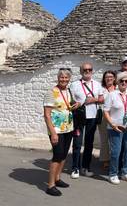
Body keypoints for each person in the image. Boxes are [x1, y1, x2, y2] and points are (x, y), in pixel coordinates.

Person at [43, 68, 80, 196]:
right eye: (61, 77)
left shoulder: (68, 91)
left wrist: (78, 104)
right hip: (56, 130)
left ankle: (57, 179)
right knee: (57, 156)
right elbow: (47, 115)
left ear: (69, 79)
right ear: (58, 78)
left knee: (64, 155)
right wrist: (53, 133)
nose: (64, 79)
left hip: (68, 128)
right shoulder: (51, 92)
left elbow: (70, 104)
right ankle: (50, 185)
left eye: (66, 77)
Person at [103, 71, 127, 184]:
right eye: (122, 81)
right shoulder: (112, 95)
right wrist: (112, 124)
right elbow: (106, 111)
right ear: (117, 82)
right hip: (116, 127)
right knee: (116, 151)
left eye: (126, 81)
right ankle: (113, 174)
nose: (124, 83)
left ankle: (126, 172)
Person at [70, 62, 104, 178]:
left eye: (89, 69)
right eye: (85, 69)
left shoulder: (97, 84)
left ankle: (86, 167)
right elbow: (71, 101)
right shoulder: (74, 85)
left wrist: (92, 100)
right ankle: (75, 168)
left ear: (92, 71)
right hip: (79, 117)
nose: (87, 71)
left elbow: (101, 99)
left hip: (93, 117)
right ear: (80, 71)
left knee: (89, 144)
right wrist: (80, 103)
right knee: (77, 143)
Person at [99, 70, 117, 169]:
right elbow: (98, 99)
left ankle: (116, 159)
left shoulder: (118, 88)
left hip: (116, 115)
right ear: (104, 79)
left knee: (115, 139)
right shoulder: (101, 89)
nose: (109, 78)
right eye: (107, 77)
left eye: (111, 76)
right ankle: (105, 159)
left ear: (114, 78)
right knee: (104, 139)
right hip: (103, 116)